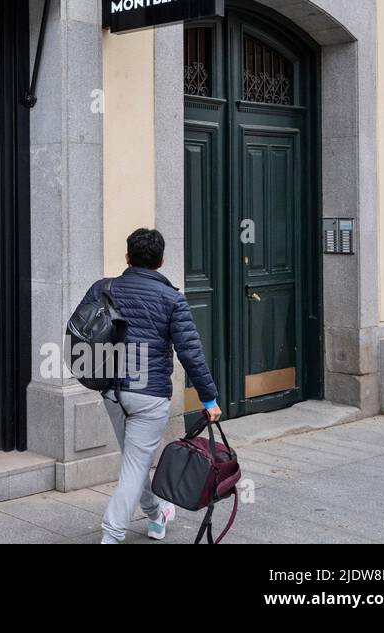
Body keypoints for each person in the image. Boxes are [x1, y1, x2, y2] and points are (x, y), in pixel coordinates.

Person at [76, 227, 221, 544]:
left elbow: (81, 330)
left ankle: (156, 516)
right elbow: (191, 354)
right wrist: (209, 400)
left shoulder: (103, 288)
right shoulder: (172, 299)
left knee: (134, 461)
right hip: (150, 394)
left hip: (113, 390)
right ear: (161, 261)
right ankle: (111, 536)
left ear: (127, 257)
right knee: (133, 466)